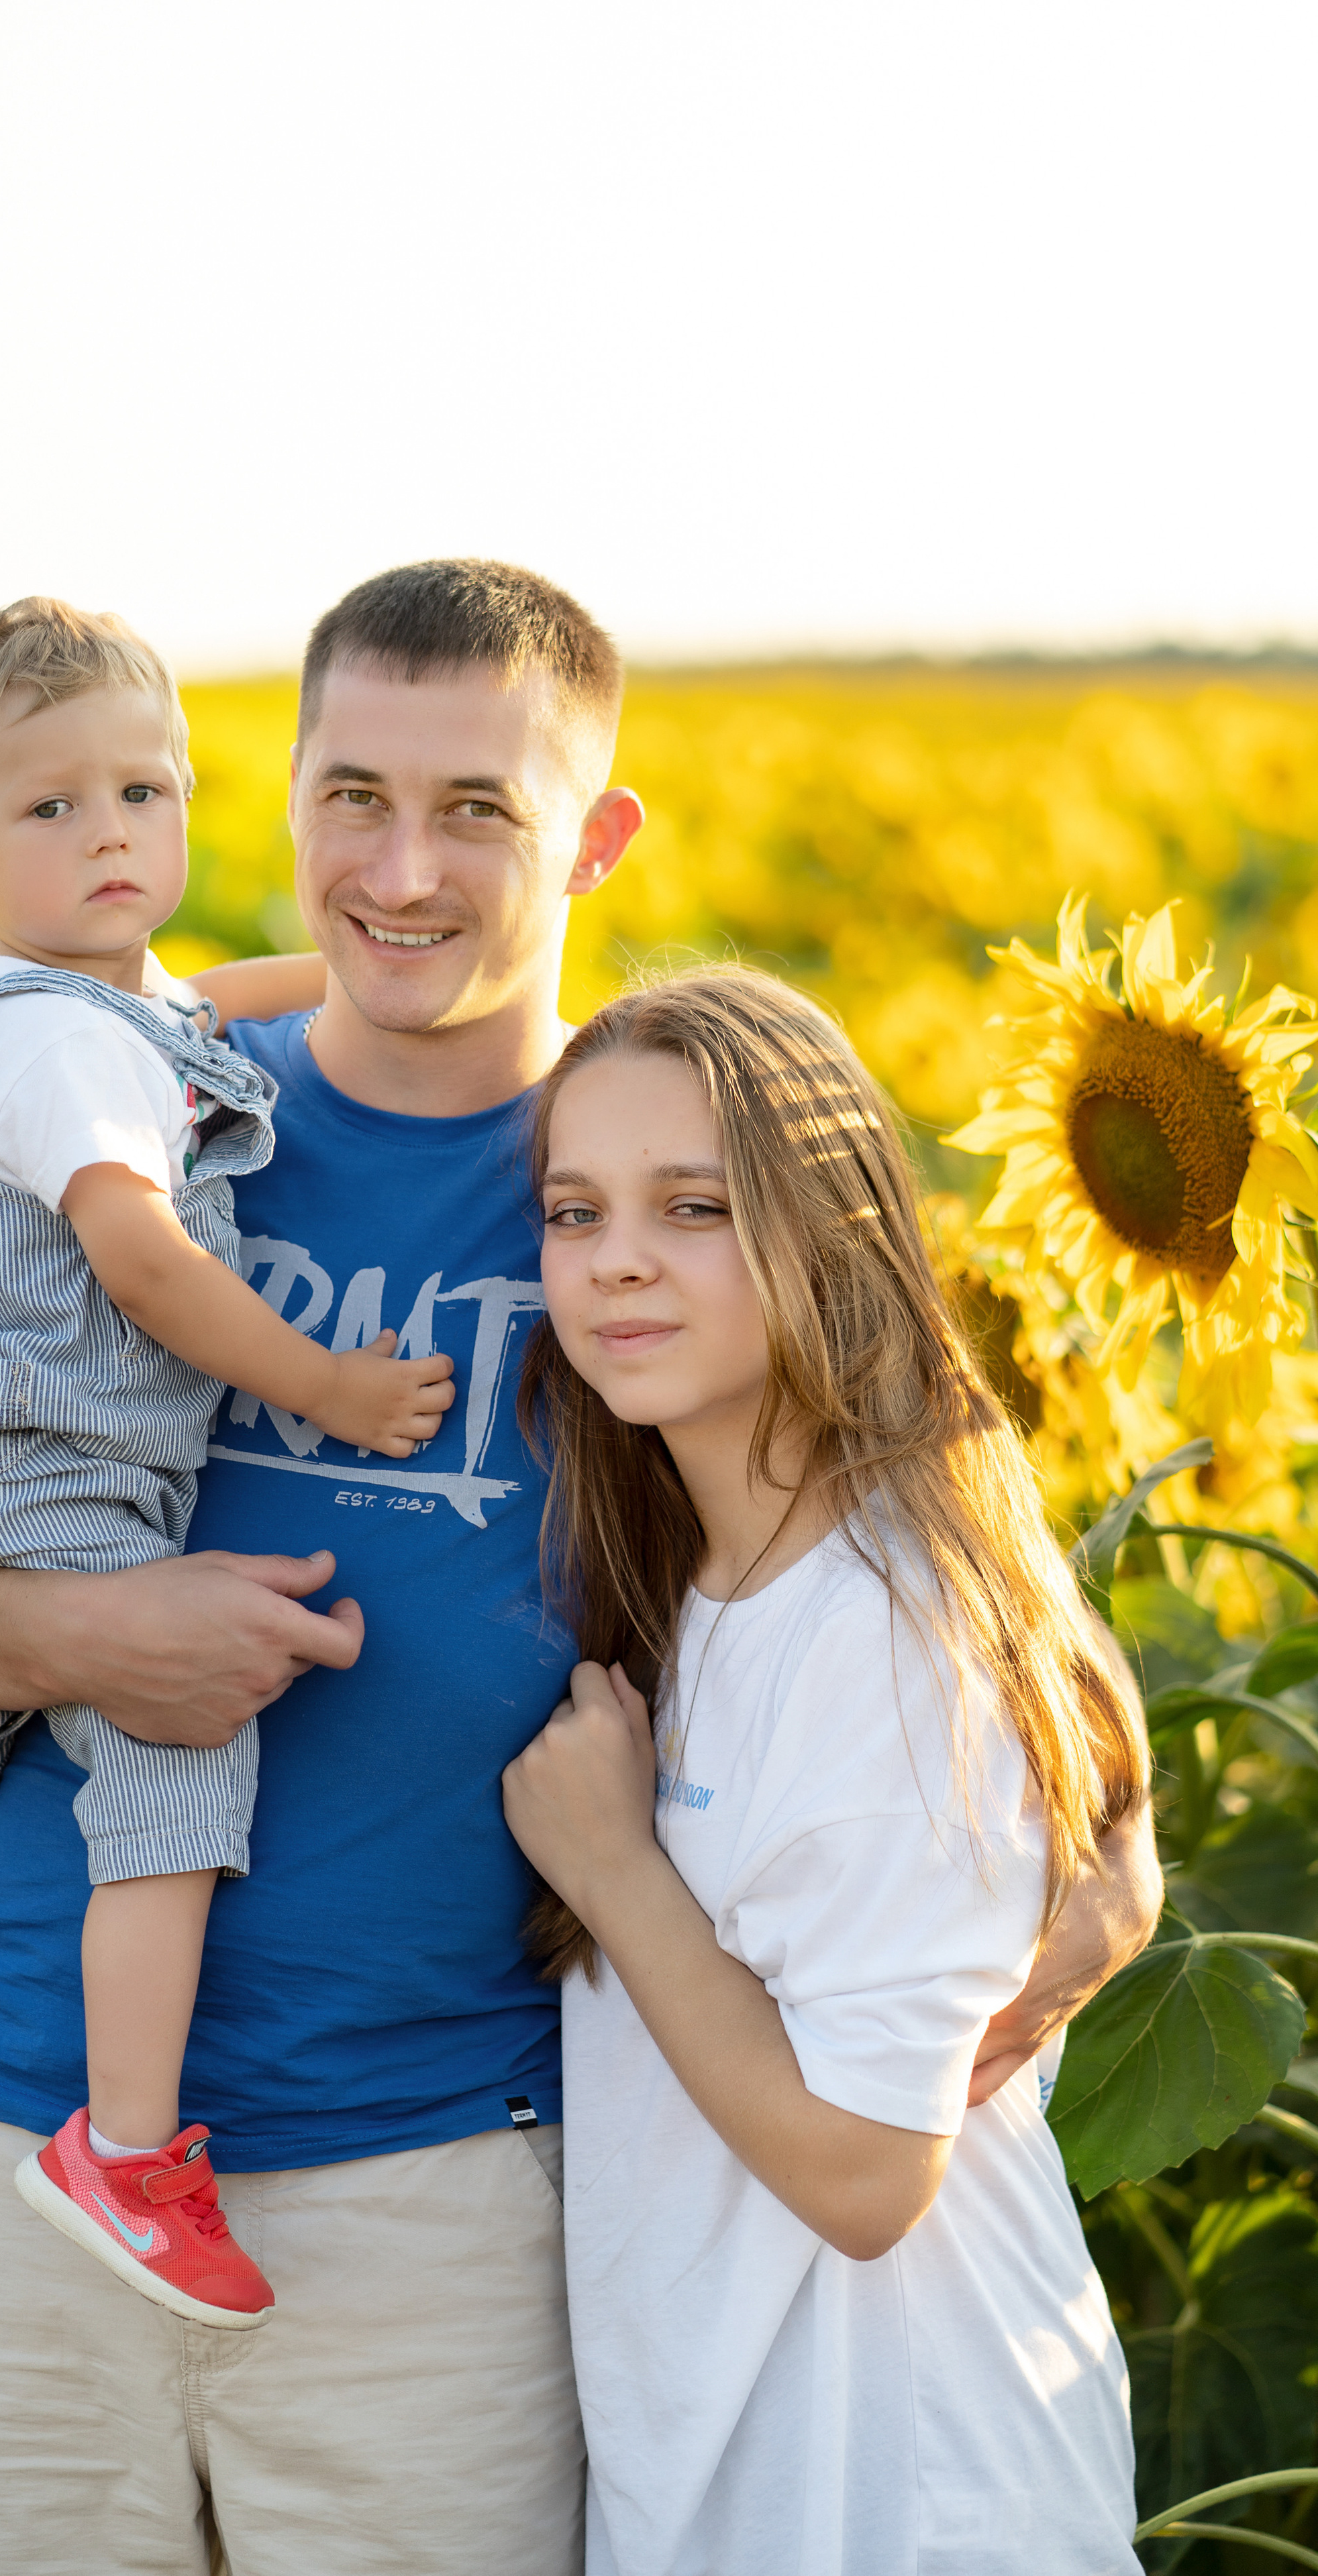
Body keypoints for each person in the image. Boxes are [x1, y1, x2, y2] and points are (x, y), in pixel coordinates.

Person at [0, 561, 1162, 2576]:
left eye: (479, 810)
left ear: (593, 837)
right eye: (352, 800)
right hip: (15, 2125)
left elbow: (951, 1523)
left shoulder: (654, 1177)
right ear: (288, 798)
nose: (403, 872)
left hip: (438, 2185)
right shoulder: (127, 1115)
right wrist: (89, 1638)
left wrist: (1112, 1829)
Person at [0, 598, 452, 2330]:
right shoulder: (61, 1049)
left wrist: (375, 982)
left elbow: (214, 1005)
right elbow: (142, 1262)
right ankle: (126, 2152)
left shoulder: (80, 1010)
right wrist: (328, 1389)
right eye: (52, 810)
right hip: (59, 1462)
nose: (112, 834)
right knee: (174, 1761)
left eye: (144, 792)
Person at [502, 968, 1148, 2576]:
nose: (617, 1260)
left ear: (828, 1225)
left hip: (905, 2494)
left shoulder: (882, 1627)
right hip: (750, 2473)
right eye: (571, 1211)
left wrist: (615, 1874)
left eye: (695, 1207)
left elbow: (867, 2175)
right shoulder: (710, 1577)